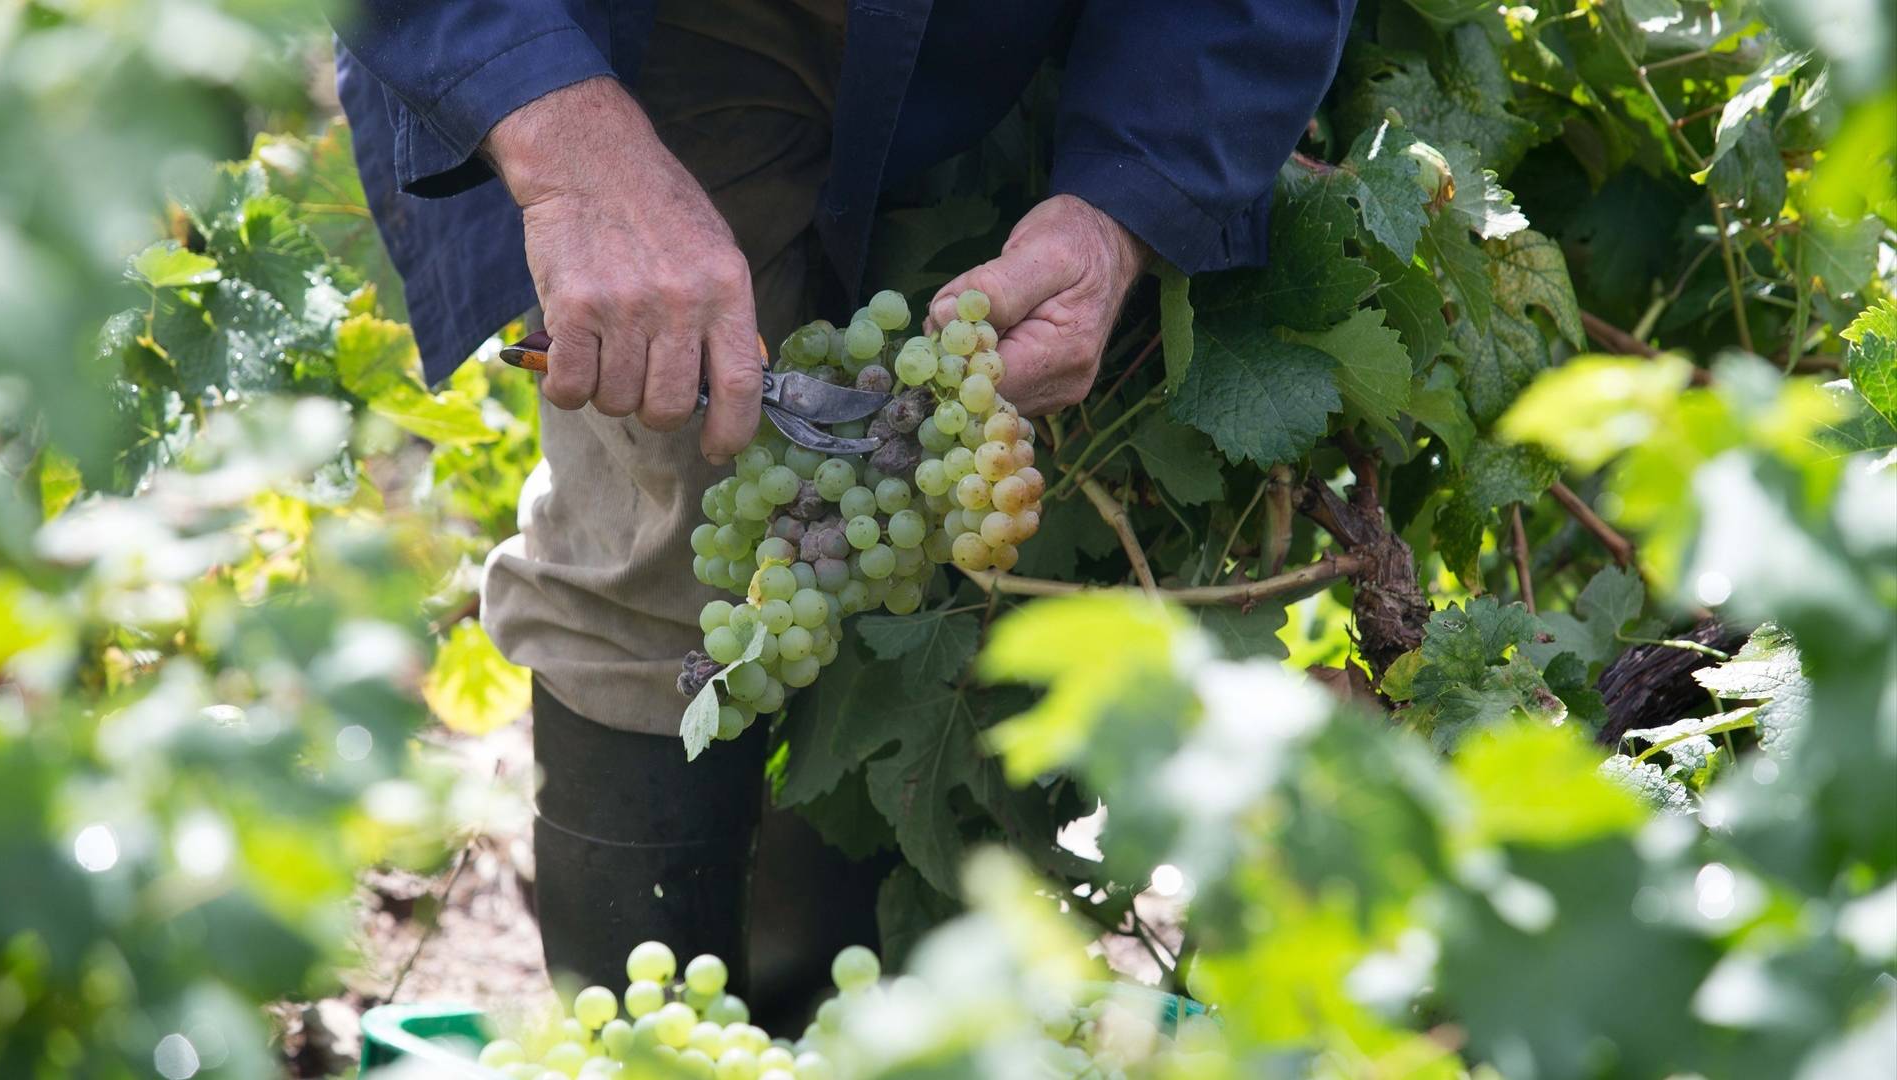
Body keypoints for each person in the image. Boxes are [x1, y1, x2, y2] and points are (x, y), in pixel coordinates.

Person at [332, 0, 1352, 1011]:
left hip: (1016, 39)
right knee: (662, 530)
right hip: (665, 26)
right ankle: (649, 1047)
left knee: (897, 574)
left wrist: (1124, 204)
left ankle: (824, 1034)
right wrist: (569, 144)